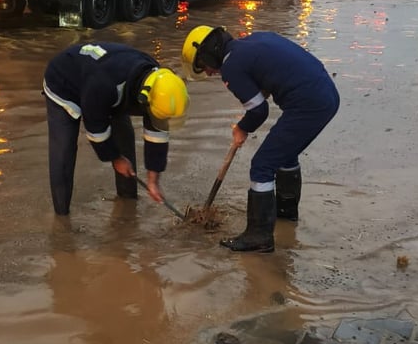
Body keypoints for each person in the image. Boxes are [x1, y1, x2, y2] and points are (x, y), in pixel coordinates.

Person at [182, 25, 339, 253]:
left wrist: (241, 129)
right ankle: (285, 214)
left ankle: (259, 237)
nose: (207, 73)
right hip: (327, 94)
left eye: (203, 66)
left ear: (208, 54)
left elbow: (258, 111)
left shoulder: (231, 66)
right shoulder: (253, 41)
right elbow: (271, 75)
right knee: (285, 155)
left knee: (262, 165)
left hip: (308, 104)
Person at [43, 41, 189, 215]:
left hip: (110, 87)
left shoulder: (158, 84)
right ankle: (62, 217)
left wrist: (153, 177)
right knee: (64, 150)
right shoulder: (103, 85)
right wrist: (115, 158)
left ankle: (128, 203)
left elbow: (156, 130)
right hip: (63, 82)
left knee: (124, 138)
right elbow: (96, 129)